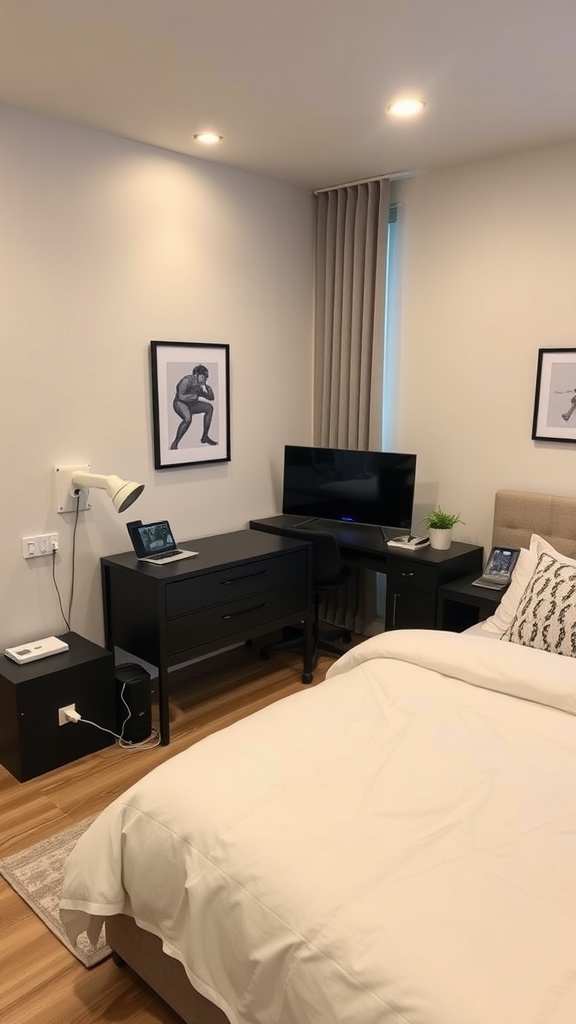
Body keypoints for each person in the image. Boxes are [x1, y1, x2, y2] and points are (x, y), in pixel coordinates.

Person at [170, 365, 217, 449]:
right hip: (180, 403)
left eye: (206, 378)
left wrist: (206, 388)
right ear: (196, 374)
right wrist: (196, 397)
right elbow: (180, 396)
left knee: (209, 408)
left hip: (192, 404)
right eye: (203, 377)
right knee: (188, 419)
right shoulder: (187, 380)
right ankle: (175, 443)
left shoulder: (201, 385)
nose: (204, 379)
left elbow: (211, 398)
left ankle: (205, 436)